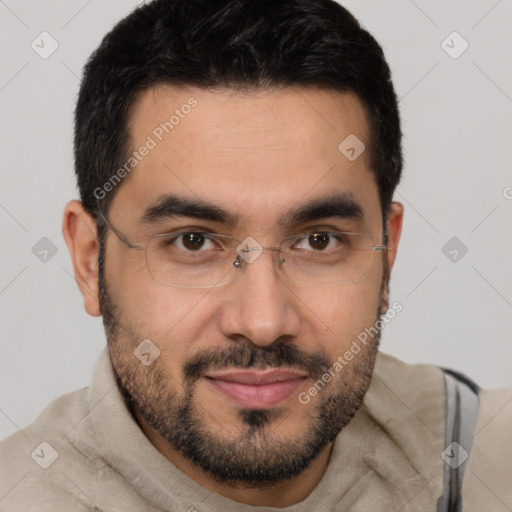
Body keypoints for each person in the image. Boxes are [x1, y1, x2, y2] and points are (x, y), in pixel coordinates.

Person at [0, 0, 510, 510]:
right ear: (91, 261)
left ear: (387, 252)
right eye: (193, 241)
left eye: (318, 240)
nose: (263, 322)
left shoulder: (487, 460)